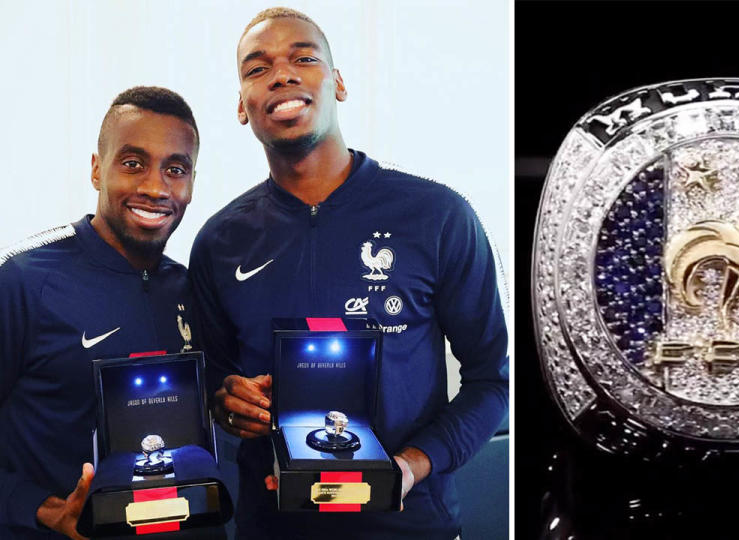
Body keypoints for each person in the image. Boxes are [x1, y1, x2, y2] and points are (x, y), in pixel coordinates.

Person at [189, 7, 508, 539]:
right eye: (256, 68)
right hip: (273, 527)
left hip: (412, 527)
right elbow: (216, 392)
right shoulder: (219, 242)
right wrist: (229, 404)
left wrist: (411, 465)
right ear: (242, 106)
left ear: (337, 83)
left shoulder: (437, 215)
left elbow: (491, 382)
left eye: (304, 58)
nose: (283, 75)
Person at [0, 87, 200, 539]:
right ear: (97, 169)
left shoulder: (188, 288)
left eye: (176, 169)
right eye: (133, 164)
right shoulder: (23, 279)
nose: (155, 187)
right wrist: (46, 510)